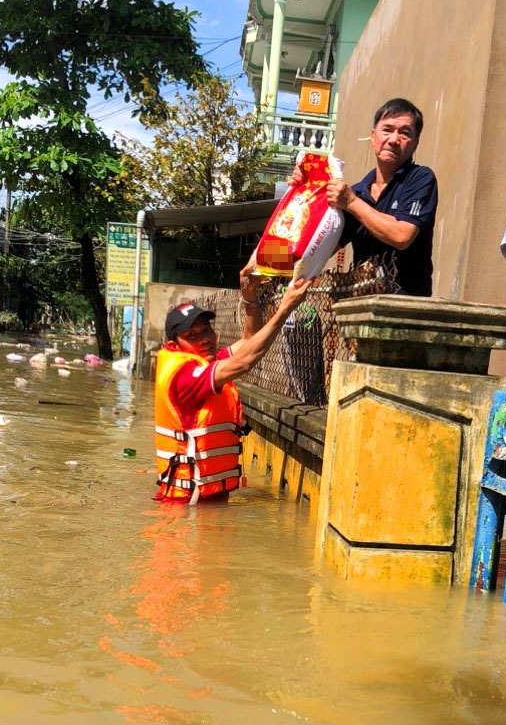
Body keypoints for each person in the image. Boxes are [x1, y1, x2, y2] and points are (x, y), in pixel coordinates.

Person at [154, 272, 312, 505]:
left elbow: (250, 340)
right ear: (173, 344)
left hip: (206, 502)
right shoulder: (184, 378)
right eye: (192, 335)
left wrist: (250, 300)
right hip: (185, 507)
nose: (204, 339)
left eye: (206, 330)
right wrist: (285, 309)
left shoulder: (210, 362)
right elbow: (245, 361)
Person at [325, 98, 438, 296]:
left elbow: (402, 235)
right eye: (387, 130)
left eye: (405, 133)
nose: (394, 140)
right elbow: (320, 247)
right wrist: (303, 191)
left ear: (415, 144)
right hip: (360, 309)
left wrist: (351, 203)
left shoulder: (420, 179)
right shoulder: (358, 191)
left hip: (405, 311)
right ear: (373, 136)